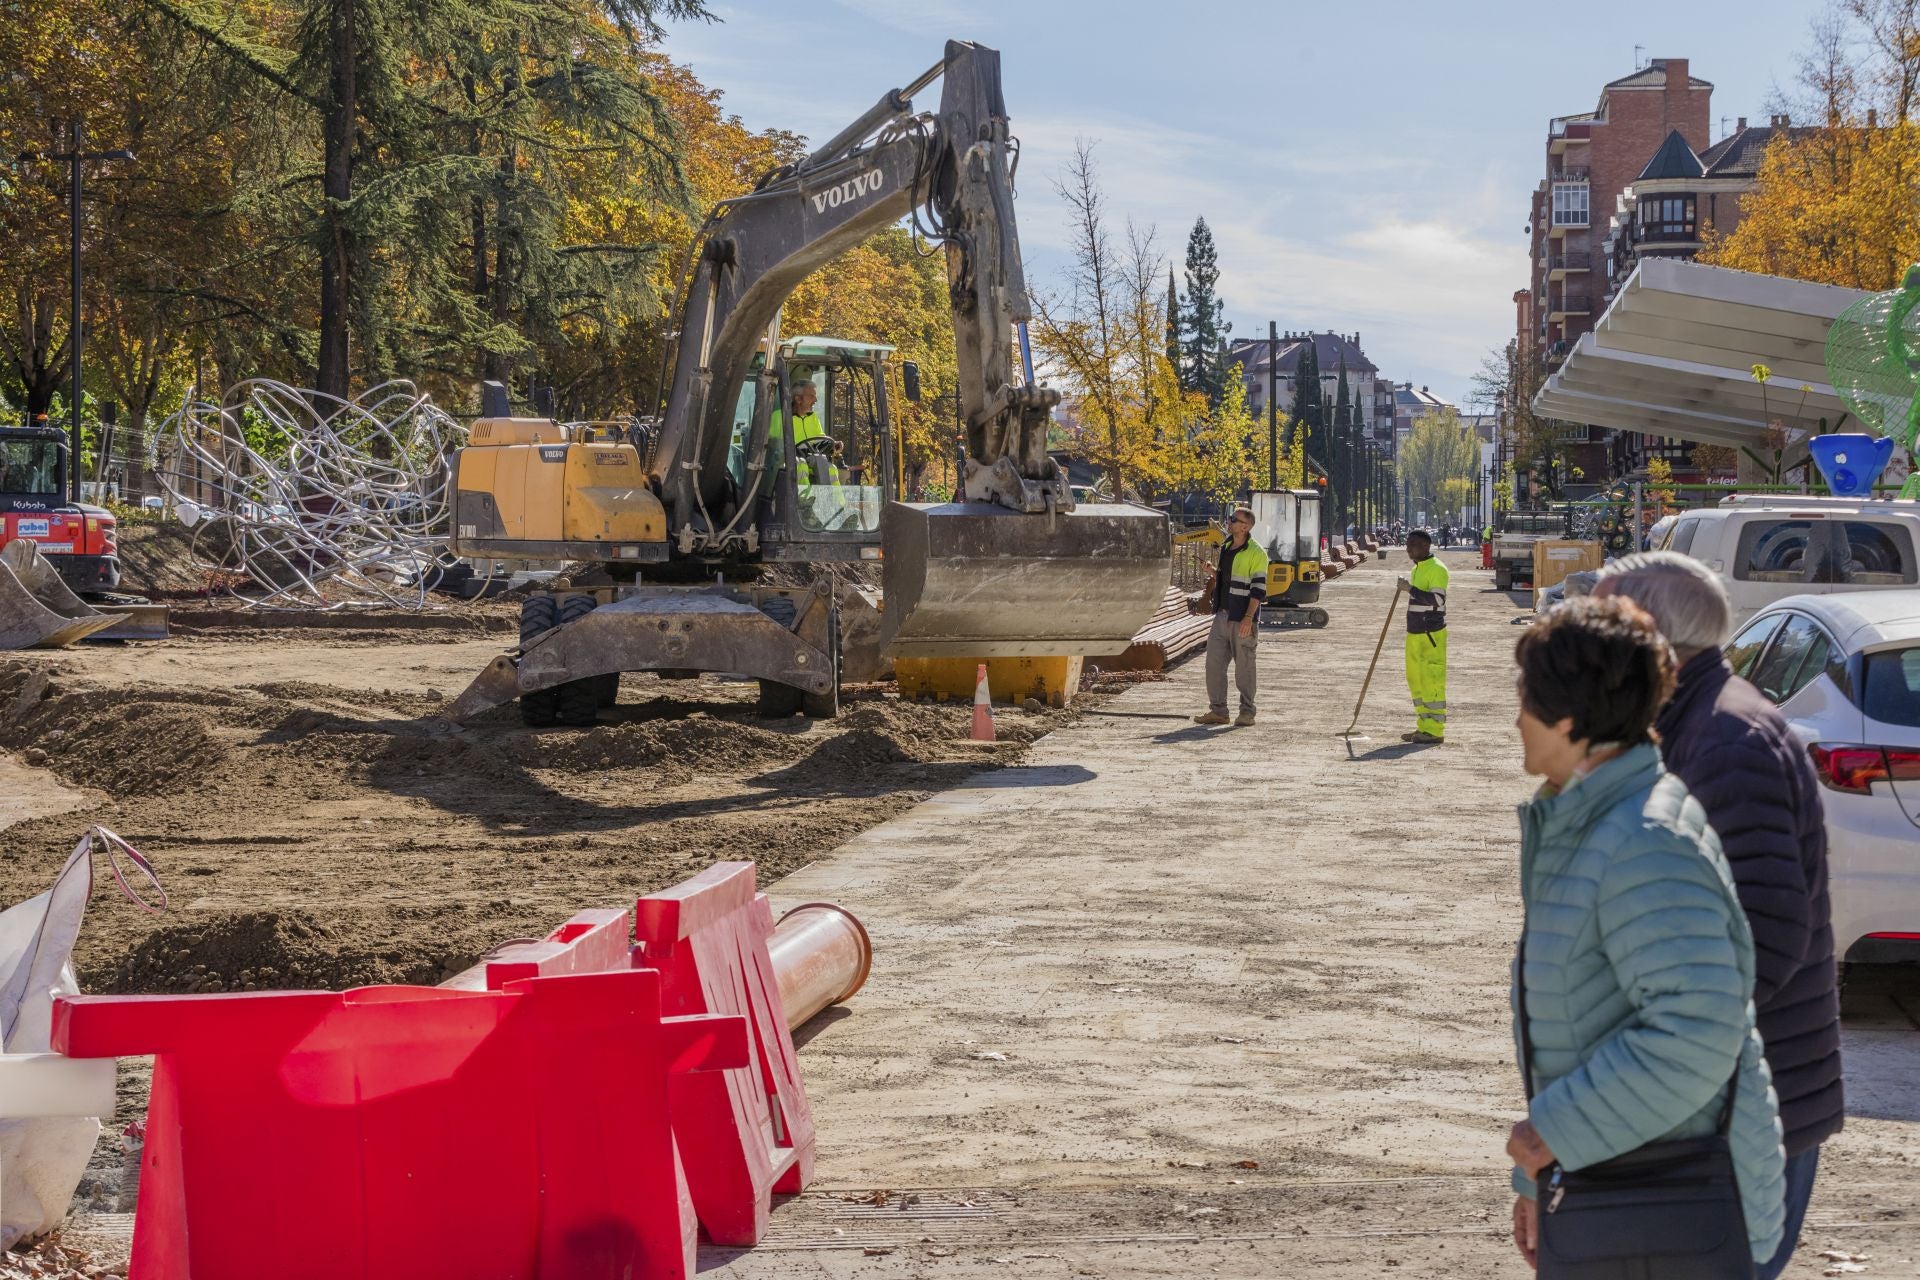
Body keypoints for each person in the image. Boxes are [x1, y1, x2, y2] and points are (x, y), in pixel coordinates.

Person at [1506, 596, 1787, 1274]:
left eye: (1526, 701)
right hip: (1625, 1191)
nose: (1516, 719)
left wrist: (1555, 1131)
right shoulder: (1600, 823)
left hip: (1664, 1206)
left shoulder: (1641, 840)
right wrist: (1536, 1182)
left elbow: (1696, 1030)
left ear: (1569, 723)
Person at [1595, 552, 1842, 1280]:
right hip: (1709, 1099)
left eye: (1601, 629)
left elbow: (1764, 934)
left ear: (1653, 640)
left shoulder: (1726, 741)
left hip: (1737, 1113)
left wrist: (1654, 1039)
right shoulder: (1689, 724)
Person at [1193, 505, 1264, 727]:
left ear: (1245, 527)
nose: (1229, 521)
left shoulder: (1257, 553)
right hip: (1222, 615)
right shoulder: (1226, 546)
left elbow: (1258, 591)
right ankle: (1218, 711)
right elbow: (1227, 579)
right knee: (1213, 664)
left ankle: (1247, 712)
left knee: (1244, 668)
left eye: (1234, 519)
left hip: (1242, 618)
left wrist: (1247, 619)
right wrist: (1213, 571)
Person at [1399, 529, 1448, 744]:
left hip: (1431, 635)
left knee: (1431, 680)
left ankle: (1435, 730)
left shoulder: (1437, 569)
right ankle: (1423, 726)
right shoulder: (1418, 569)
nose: (1408, 549)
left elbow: (1437, 600)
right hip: (1415, 633)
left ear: (1426, 546)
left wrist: (1410, 590)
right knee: (1416, 680)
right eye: (1408, 544)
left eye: (1413, 545)